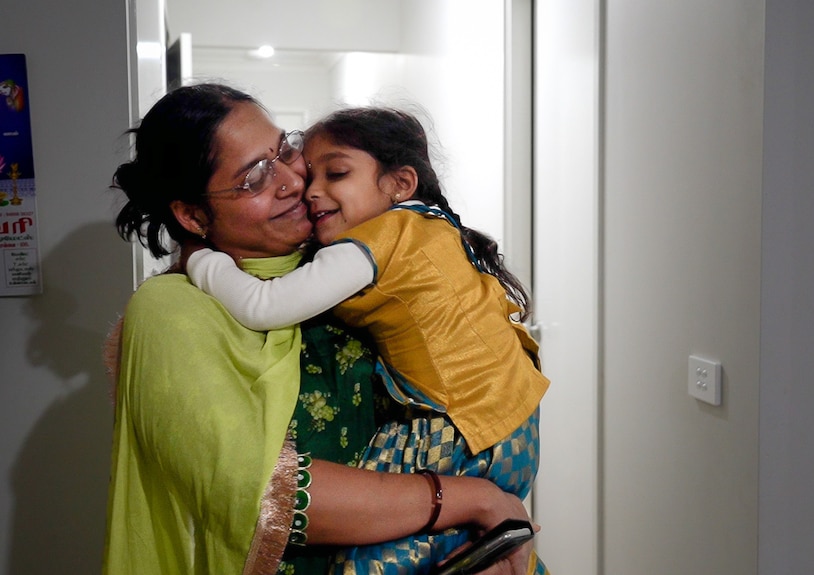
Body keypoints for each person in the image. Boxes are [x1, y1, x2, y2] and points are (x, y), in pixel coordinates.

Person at [102, 83, 538, 575]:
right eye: (255, 177)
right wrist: (474, 501)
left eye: (285, 150)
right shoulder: (173, 311)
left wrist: (489, 543)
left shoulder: (341, 269)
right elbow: (267, 496)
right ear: (193, 215)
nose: (293, 180)